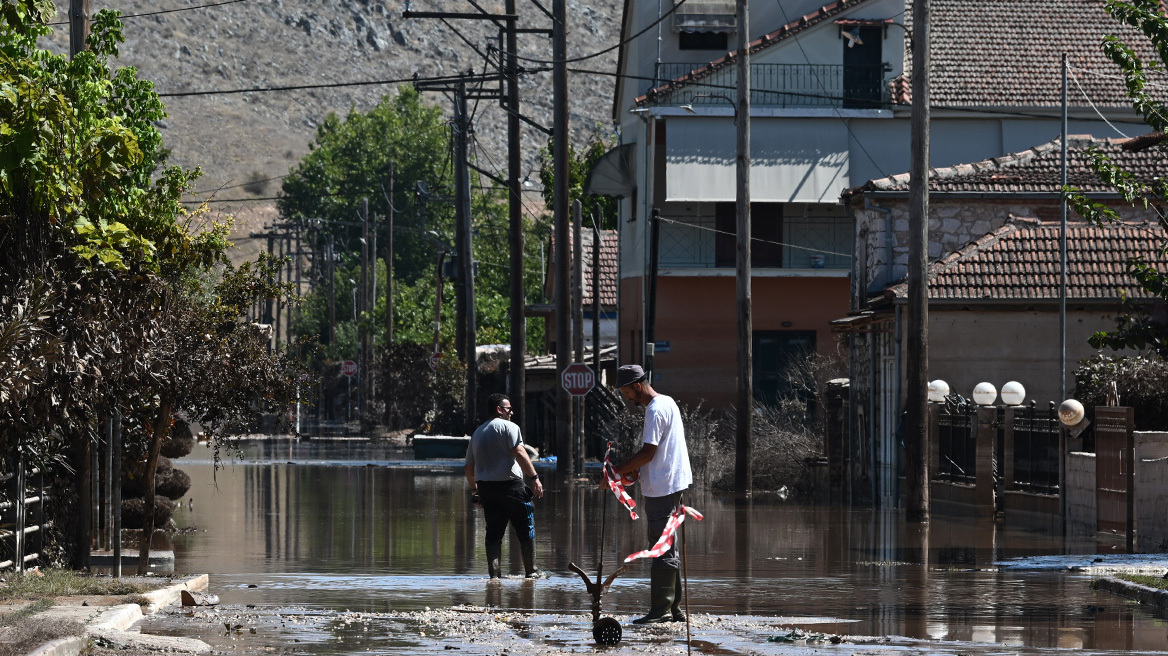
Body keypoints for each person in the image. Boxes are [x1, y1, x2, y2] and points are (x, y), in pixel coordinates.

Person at [607, 364, 692, 623]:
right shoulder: (668, 402)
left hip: (662, 487)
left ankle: (660, 611)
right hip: (673, 482)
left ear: (637, 386)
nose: (626, 398)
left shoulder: (654, 410)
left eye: (626, 393)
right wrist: (634, 473)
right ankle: (675, 609)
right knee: (669, 544)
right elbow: (657, 455)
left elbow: (648, 453)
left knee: (660, 547)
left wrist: (616, 472)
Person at [465, 393, 546, 579]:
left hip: (486, 489)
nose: (512, 412)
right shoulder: (510, 427)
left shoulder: (477, 433)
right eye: (509, 408)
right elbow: (519, 452)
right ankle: (532, 571)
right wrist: (534, 477)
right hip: (511, 487)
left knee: (493, 532)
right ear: (499, 410)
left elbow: (469, 467)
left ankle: (494, 576)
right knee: (525, 525)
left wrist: (475, 491)